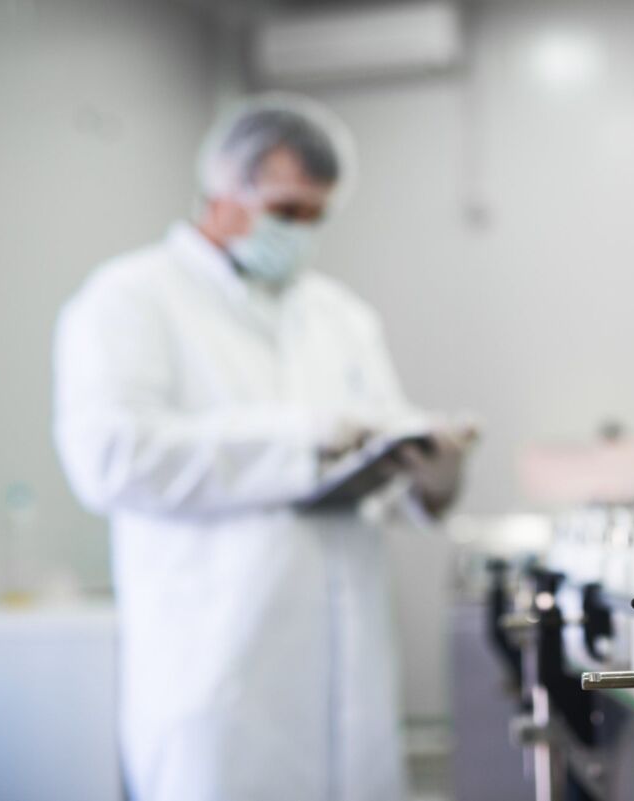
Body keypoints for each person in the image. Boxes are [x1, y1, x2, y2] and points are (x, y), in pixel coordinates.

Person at [53, 94, 468, 801]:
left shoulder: (339, 314)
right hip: (219, 673)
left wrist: (430, 479)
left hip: (349, 682)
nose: (300, 231)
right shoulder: (131, 298)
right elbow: (109, 459)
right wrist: (300, 439)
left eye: (316, 215)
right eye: (285, 210)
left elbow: (378, 460)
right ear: (221, 192)